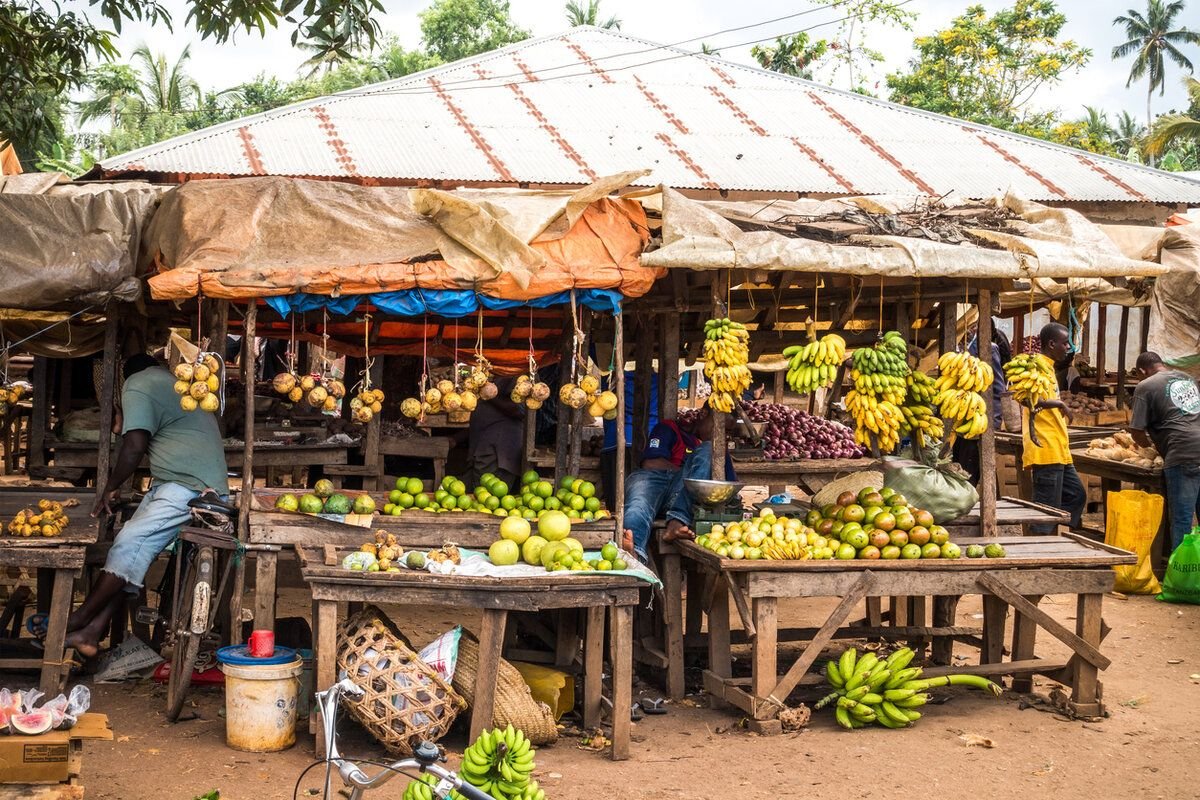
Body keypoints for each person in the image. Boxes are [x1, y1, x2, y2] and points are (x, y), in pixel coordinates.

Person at [66, 354, 230, 657]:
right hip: (178, 482)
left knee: (128, 543)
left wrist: (110, 488)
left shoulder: (138, 383)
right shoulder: (169, 382)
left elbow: (134, 446)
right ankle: (90, 633)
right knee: (134, 551)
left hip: (191, 487)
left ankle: (76, 619)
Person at [621, 407, 734, 564]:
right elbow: (650, 463)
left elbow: (731, 486)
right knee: (637, 507)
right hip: (653, 480)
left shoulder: (714, 450)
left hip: (681, 495)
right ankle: (632, 554)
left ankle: (677, 521)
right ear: (703, 415)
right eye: (720, 426)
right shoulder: (669, 428)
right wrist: (688, 470)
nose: (722, 434)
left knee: (710, 448)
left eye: (727, 432)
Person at [1129, 352, 1200, 552]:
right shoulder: (1188, 378)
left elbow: (1136, 431)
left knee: (1182, 518)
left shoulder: (1145, 386)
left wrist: (1150, 448)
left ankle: (1179, 576)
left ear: (1141, 371)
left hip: (1182, 453)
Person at [1023, 323, 1085, 534]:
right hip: (1045, 448)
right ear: (1051, 344)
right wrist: (1059, 404)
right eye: (1065, 343)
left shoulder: (1049, 368)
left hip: (1060, 449)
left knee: (1076, 495)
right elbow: (1026, 398)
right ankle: (1037, 550)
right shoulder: (1035, 366)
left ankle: (1055, 536)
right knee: (1044, 512)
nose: (1068, 347)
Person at [953, 321, 1011, 483]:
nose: (969, 331)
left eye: (972, 327)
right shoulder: (963, 350)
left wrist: (994, 423)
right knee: (959, 467)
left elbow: (998, 388)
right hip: (963, 421)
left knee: (969, 473)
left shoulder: (989, 349)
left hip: (979, 422)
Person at [467, 375, 524, 490]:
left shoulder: (519, 375)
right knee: (482, 495)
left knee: (490, 496)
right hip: (485, 446)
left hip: (499, 451)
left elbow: (518, 410)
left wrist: (489, 395)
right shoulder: (496, 373)